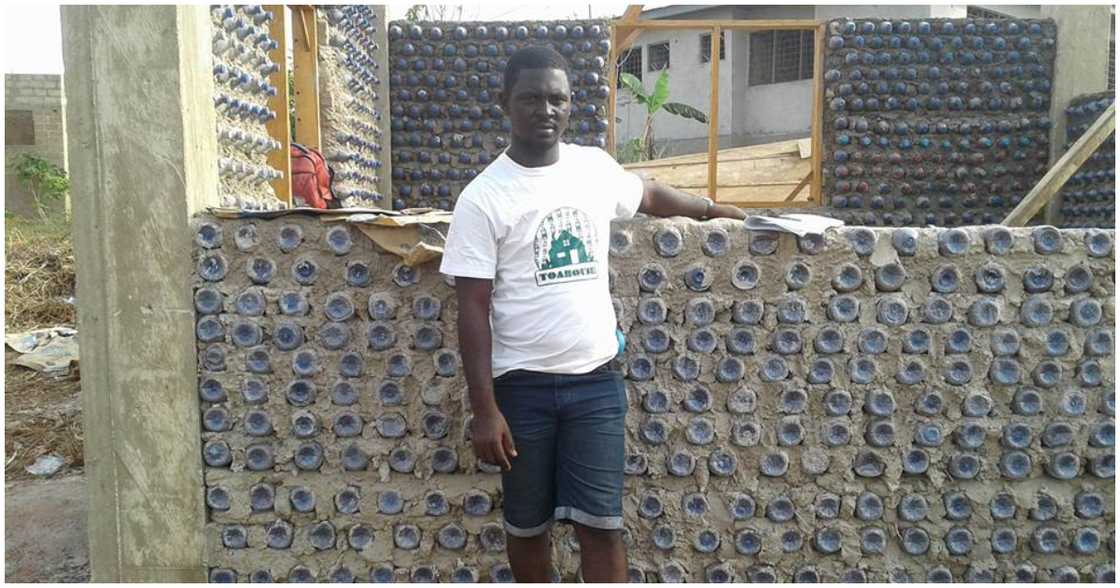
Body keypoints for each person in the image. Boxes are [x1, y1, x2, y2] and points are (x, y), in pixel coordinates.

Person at [439, 46, 746, 582]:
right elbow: (472, 308)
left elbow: (647, 194)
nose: (546, 110)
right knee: (527, 528)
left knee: (602, 527)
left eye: (557, 99)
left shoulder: (591, 169)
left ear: (570, 105)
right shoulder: (483, 198)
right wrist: (485, 410)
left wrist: (710, 209)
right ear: (504, 103)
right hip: (523, 390)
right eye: (531, 99)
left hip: (596, 388)